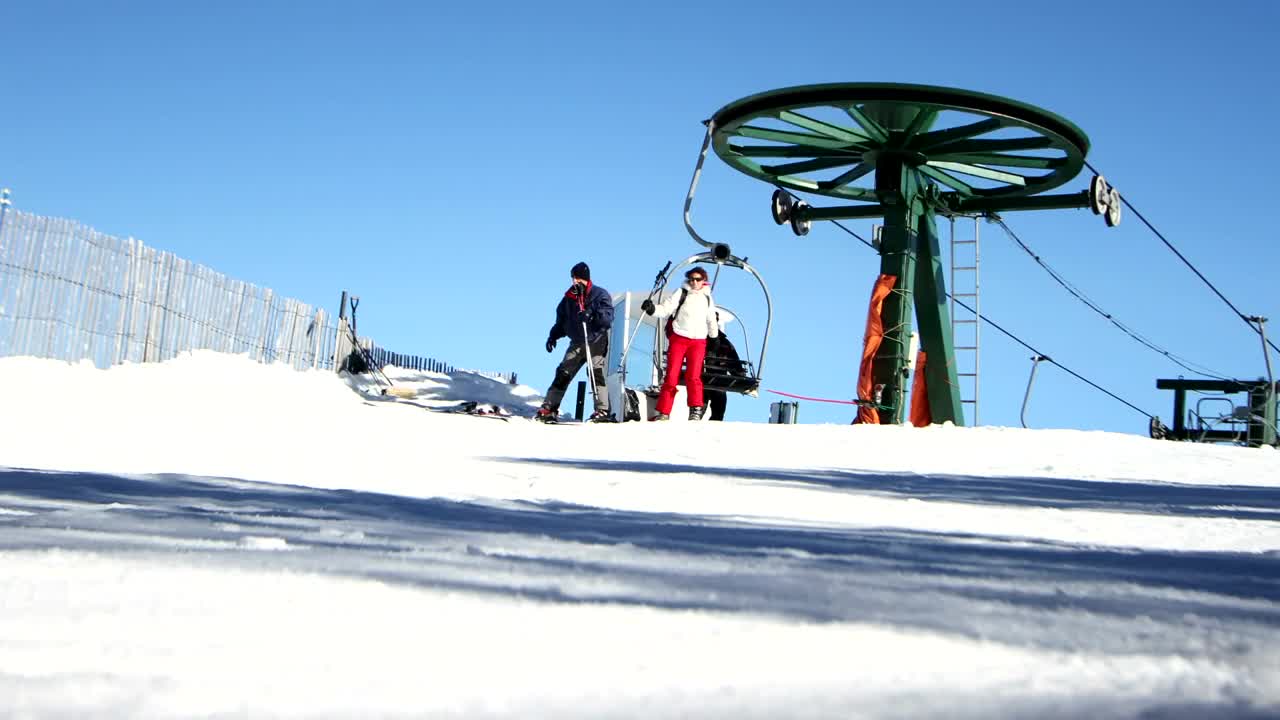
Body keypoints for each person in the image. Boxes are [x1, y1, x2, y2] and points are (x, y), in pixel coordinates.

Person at [538, 262, 614, 422]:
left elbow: (607, 318)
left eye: (578, 278)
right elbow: (562, 321)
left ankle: (602, 410)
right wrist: (553, 335)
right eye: (573, 278)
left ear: (586, 279)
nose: (575, 282)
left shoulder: (599, 295)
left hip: (596, 340)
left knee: (595, 373)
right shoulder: (569, 299)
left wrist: (591, 316)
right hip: (578, 341)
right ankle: (549, 407)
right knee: (563, 372)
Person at [641, 266, 718, 421]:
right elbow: (666, 309)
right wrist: (652, 309)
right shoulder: (681, 292)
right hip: (680, 337)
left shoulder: (707, 297)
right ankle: (664, 411)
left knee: (694, 376)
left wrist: (714, 337)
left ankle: (695, 409)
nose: (694, 282)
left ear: (704, 281)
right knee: (671, 375)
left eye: (698, 279)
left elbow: (711, 319)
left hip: (698, 341)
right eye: (692, 279)